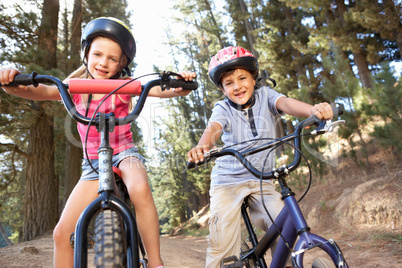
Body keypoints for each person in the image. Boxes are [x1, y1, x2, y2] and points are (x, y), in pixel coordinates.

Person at [0, 17, 196, 268]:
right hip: (92, 164)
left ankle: (156, 262)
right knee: (61, 233)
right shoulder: (73, 85)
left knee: (139, 189)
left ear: (122, 62)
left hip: (125, 153)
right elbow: (42, 91)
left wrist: (182, 85)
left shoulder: (126, 85)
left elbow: (158, 88)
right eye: (98, 54)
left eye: (112, 59)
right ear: (86, 53)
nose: (103, 63)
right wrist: (11, 84)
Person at [187, 46, 333, 268]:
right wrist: (202, 146)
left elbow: (285, 104)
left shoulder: (266, 96)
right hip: (228, 182)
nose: (237, 86)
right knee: (222, 247)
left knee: (285, 226)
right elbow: (213, 129)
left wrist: (314, 111)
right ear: (222, 89)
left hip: (262, 180)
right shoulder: (223, 108)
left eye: (242, 78)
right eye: (229, 83)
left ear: (254, 78)